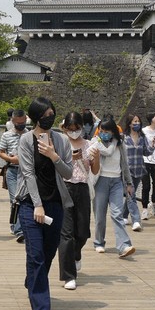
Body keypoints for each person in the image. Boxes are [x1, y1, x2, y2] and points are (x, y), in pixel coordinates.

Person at [15, 97, 73, 310]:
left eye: (52, 112)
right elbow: (28, 174)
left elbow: (68, 173)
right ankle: (41, 308)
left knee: (48, 253)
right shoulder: (26, 140)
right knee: (36, 254)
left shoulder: (61, 140)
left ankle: (33, 281)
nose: (49, 116)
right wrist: (37, 205)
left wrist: (53, 155)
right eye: (45, 113)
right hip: (31, 204)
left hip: (55, 204)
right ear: (36, 116)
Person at [58, 111, 98, 290]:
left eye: (77, 129)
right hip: (64, 187)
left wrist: (95, 158)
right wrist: (68, 158)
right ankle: (68, 275)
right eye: (70, 129)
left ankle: (76, 254)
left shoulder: (89, 144)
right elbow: (54, 166)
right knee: (66, 234)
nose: (74, 132)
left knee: (82, 232)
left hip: (81, 187)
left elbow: (95, 170)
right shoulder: (60, 143)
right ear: (65, 128)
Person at [88, 115, 135, 258]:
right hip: (100, 180)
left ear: (113, 131)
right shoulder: (94, 143)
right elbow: (96, 158)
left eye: (107, 131)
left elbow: (125, 165)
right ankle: (99, 242)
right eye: (102, 130)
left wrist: (128, 183)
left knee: (117, 214)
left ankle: (124, 245)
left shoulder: (120, 145)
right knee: (100, 215)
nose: (104, 133)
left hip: (116, 182)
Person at [0, 109, 28, 243]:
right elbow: (1, 152)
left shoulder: (29, 134)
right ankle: (19, 230)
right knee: (15, 199)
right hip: (12, 171)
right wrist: (11, 159)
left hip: (26, 171)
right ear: (13, 121)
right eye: (18, 122)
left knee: (24, 199)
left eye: (23, 122)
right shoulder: (7, 135)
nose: (21, 124)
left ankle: (17, 225)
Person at [123, 114, 152, 232]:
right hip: (127, 171)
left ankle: (123, 215)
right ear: (130, 123)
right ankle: (136, 220)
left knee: (131, 194)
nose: (137, 124)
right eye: (134, 122)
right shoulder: (123, 137)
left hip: (139, 169)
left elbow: (147, 152)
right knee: (131, 195)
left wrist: (153, 146)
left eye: (138, 122)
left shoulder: (142, 137)